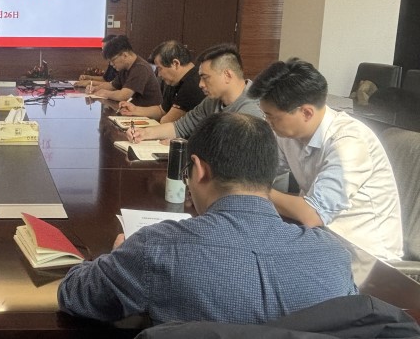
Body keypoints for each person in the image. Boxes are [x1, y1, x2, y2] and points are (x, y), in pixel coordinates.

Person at [58, 112, 357, 325]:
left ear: (199, 170)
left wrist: (114, 258)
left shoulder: (156, 249)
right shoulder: (333, 257)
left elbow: (75, 295)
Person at [248, 58, 403, 261]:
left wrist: (250, 190)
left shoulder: (349, 142)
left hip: (367, 259)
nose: (268, 123)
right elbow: (258, 172)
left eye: (272, 117)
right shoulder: (288, 133)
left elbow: (312, 214)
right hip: (323, 242)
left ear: (306, 112)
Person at [127, 44, 261, 142]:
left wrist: (186, 146)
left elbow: (228, 153)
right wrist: (144, 133)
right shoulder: (212, 101)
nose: (200, 84)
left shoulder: (252, 110)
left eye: (205, 77)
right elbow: (180, 127)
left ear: (227, 75)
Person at [119, 40, 204, 123]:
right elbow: (161, 110)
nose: (159, 75)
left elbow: (167, 121)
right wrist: (134, 110)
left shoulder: (193, 84)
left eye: (159, 68)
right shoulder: (174, 81)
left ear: (175, 64)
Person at [85, 35, 162, 107]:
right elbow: (112, 86)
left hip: (147, 113)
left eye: (113, 60)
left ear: (125, 55)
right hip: (135, 110)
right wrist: (95, 88)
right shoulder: (124, 67)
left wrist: (105, 93)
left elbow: (123, 96)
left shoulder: (140, 68)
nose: (111, 64)